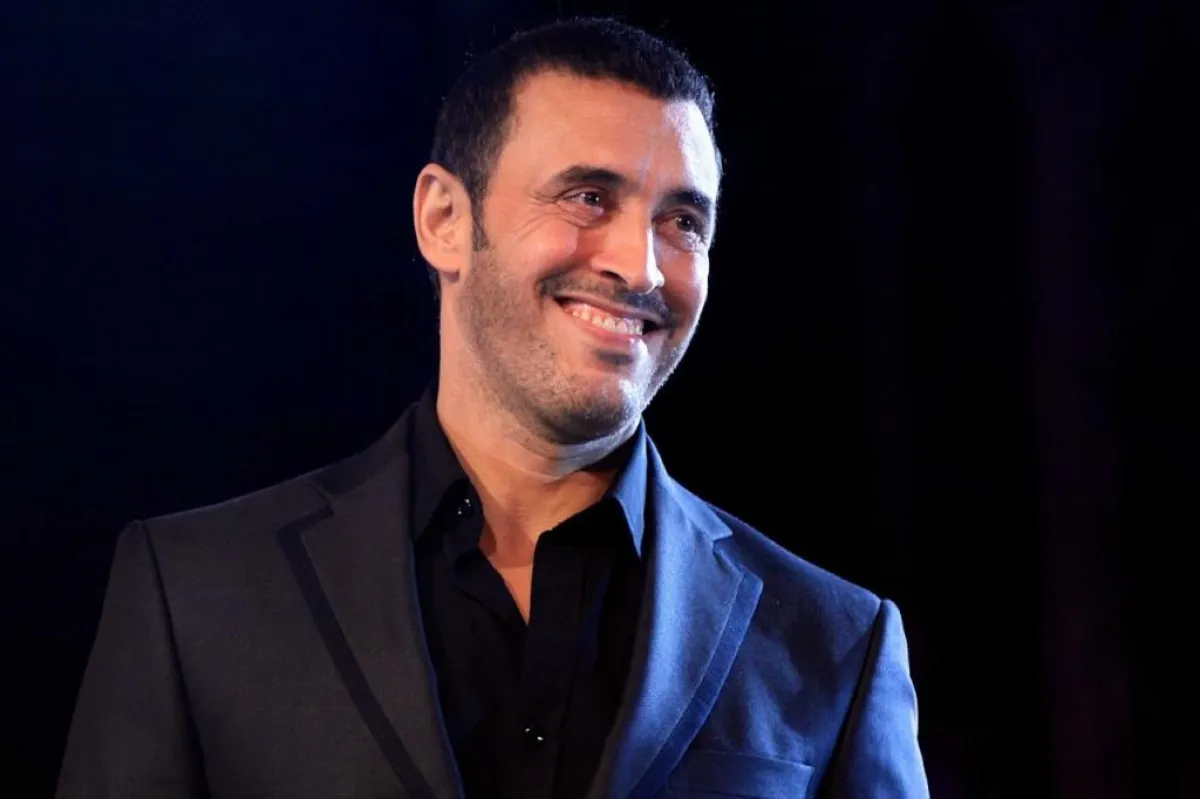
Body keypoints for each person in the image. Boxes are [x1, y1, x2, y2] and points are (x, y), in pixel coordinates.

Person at [57, 17, 928, 799]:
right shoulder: (197, 592)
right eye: (589, 197)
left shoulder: (835, 643)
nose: (641, 265)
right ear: (443, 218)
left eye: (683, 223)